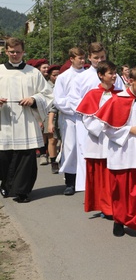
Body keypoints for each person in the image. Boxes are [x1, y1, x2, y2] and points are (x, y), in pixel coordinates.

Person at [96, 66, 136, 240]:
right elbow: (108, 129)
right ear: (131, 81)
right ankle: (119, 221)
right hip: (124, 152)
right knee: (122, 192)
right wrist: (130, 130)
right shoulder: (117, 100)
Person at [0, 38, 54, 202]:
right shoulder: (0, 70)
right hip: (4, 120)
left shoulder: (33, 72)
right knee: (4, 157)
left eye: (18, 51)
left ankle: (23, 191)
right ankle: (6, 185)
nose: (15, 55)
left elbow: (48, 95)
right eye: (12, 52)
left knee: (25, 157)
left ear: (23, 52)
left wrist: (34, 99)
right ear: (6, 52)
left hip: (26, 121)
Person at [70, 42, 125, 194]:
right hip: (90, 124)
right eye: (96, 58)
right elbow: (75, 101)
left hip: (114, 127)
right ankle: (88, 189)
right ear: (89, 57)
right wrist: (95, 120)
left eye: (102, 57)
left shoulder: (116, 77)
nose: (100, 60)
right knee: (89, 157)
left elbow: (123, 97)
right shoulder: (81, 77)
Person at [76, 60, 120, 217]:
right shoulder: (92, 94)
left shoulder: (120, 94)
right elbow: (87, 118)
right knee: (101, 175)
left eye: (115, 73)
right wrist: (104, 125)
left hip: (115, 139)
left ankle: (116, 206)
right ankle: (104, 206)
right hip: (98, 139)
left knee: (114, 174)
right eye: (111, 73)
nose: (114, 76)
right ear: (100, 75)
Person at [53, 47, 87, 195]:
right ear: (71, 59)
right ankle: (70, 182)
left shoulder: (88, 75)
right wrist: (75, 108)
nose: (83, 60)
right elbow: (59, 100)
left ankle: (86, 180)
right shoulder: (63, 77)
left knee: (86, 148)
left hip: (87, 117)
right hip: (70, 118)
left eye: (83, 57)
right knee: (70, 148)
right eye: (79, 58)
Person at [47, 65, 61, 174]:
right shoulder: (46, 86)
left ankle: (61, 159)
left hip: (60, 114)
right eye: (54, 75)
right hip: (49, 114)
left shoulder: (62, 84)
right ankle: (53, 163)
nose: (56, 77)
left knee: (63, 140)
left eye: (58, 74)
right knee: (52, 139)